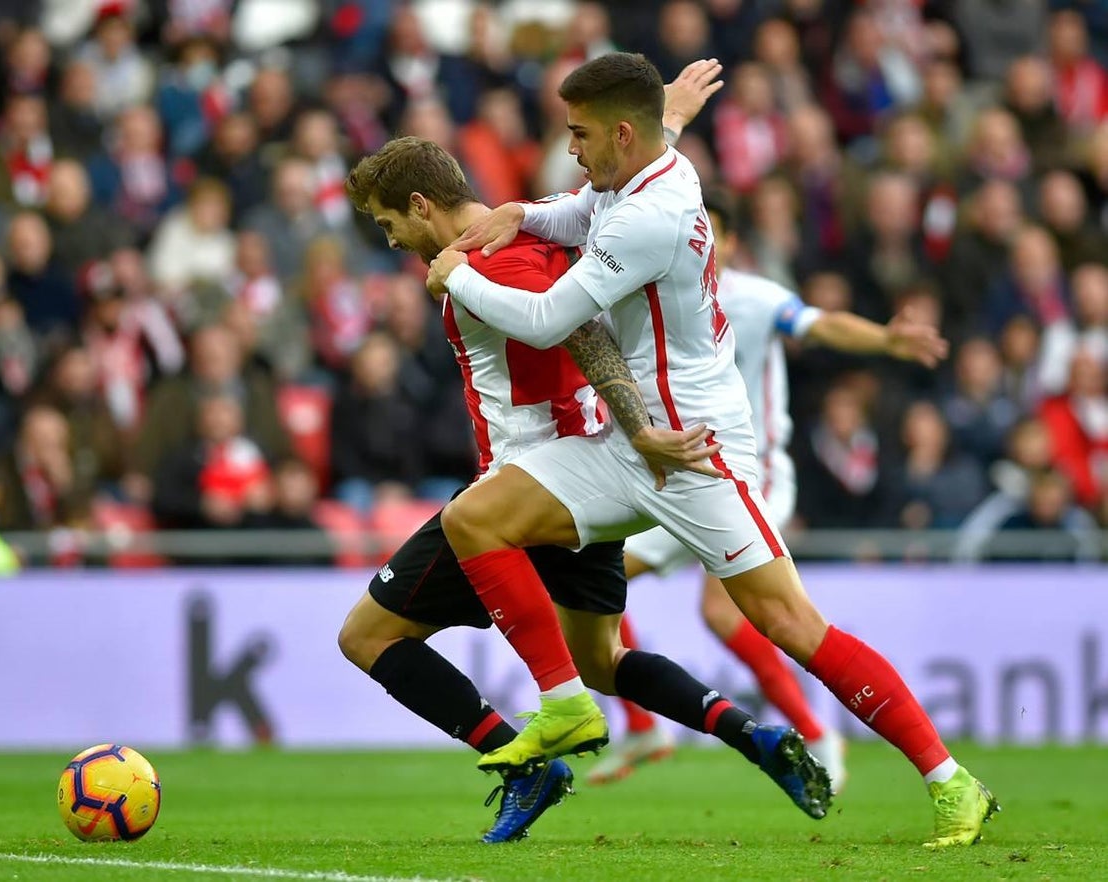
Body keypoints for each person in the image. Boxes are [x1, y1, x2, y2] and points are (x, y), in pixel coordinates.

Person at [428, 52, 997, 848]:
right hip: (630, 441)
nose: (573, 150)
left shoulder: (648, 217)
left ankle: (952, 782)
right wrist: (523, 212)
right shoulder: (653, 172)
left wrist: (454, 273)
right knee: (473, 519)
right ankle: (566, 705)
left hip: (697, 450)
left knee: (791, 625)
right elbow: (583, 205)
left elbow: (551, 318)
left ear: (625, 136)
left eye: (581, 135)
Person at [340, 61, 831, 845]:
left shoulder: (492, 263)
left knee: (366, 637)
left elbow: (582, 329)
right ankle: (753, 736)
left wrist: (637, 429)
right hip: (585, 484)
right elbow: (615, 197)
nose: (388, 236)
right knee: (605, 660)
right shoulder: (521, 237)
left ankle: (524, 756)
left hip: (530, 488)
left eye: (386, 220)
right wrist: (667, 115)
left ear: (420, 204)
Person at [588, 189, 950, 789]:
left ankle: (815, 731)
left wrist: (885, 341)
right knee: (600, 578)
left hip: (751, 471)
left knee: (730, 613)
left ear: (727, 243)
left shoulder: (753, 298)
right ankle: (645, 725)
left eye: (715, 233)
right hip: (675, 473)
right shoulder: (653, 294)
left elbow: (818, 323)